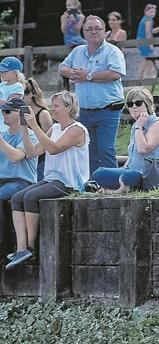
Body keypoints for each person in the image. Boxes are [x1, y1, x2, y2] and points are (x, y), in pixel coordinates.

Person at [7, 91, 89, 270]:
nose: (53, 109)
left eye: (56, 106)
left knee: (30, 197)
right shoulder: (55, 128)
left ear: (68, 108)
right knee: (16, 198)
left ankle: (30, 247)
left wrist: (35, 126)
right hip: (52, 178)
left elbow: (53, 149)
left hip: (69, 182)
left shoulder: (77, 129)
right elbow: (33, 152)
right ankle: (21, 248)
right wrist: (25, 129)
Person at [58, 14, 126, 176]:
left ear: (104, 31)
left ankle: (113, 185)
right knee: (88, 148)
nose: (93, 32)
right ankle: (94, 183)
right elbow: (61, 67)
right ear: (83, 32)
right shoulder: (77, 52)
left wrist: (88, 76)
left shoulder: (112, 51)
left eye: (97, 29)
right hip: (84, 110)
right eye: (89, 29)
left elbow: (116, 74)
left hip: (108, 108)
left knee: (105, 148)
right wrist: (71, 72)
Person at [90, 88, 159, 193]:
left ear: (147, 105)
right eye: (130, 104)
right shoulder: (136, 125)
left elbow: (143, 149)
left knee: (129, 176)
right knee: (99, 173)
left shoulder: (157, 124)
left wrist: (139, 127)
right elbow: (132, 157)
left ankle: (119, 188)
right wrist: (124, 168)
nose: (134, 107)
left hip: (150, 174)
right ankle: (122, 186)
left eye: (138, 103)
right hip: (130, 171)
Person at [0, 99, 42, 248]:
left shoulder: (28, 135)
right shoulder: (3, 135)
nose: (3, 114)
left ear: (19, 114)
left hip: (21, 182)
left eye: (7, 111)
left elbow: (16, 156)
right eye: (2, 111)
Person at [23, 79, 52, 182]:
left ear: (31, 94)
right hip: (26, 157)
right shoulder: (20, 112)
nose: (21, 99)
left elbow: (49, 140)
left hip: (41, 159)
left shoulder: (43, 114)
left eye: (23, 95)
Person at [137, 4, 159, 80]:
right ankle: (144, 77)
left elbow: (147, 31)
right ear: (146, 12)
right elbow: (147, 33)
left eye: (154, 12)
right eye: (150, 12)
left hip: (142, 41)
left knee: (148, 59)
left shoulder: (146, 18)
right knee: (147, 59)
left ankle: (145, 77)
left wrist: (153, 31)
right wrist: (151, 45)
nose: (152, 13)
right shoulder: (148, 19)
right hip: (145, 42)